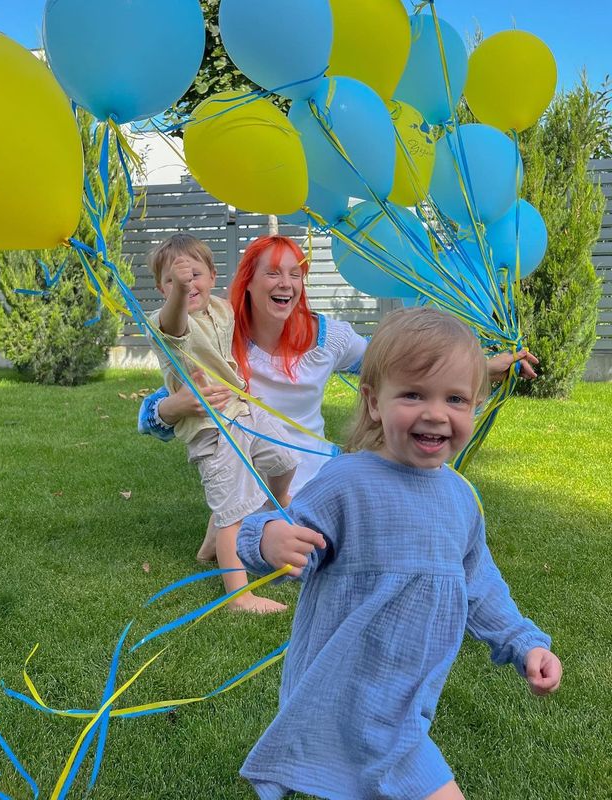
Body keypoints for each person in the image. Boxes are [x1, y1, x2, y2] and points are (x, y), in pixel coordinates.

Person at [236, 307, 562, 800]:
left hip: (403, 697)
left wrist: (524, 643)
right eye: (413, 394)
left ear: (476, 405)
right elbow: (283, 535)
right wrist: (269, 539)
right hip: (344, 690)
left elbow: (479, 585)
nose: (435, 413)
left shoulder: (460, 498)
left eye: (456, 399)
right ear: (374, 403)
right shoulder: (347, 482)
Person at [139, 235, 539, 560]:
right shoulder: (220, 337)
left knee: (381, 530)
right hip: (254, 472)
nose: (285, 283)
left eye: (295, 274)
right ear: (248, 282)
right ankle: (237, 528)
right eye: (272, 273)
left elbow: (397, 364)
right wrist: (172, 407)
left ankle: (237, 529)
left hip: (316, 470)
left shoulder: (325, 336)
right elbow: (153, 414)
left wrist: (485, 366)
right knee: (306, 551)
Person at [145, 233, 299, 613]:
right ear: (162, 289)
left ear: (213, 276)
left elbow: (255, 299)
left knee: (285, 459)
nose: (187, 284)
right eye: (173, 280)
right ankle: (238, 597)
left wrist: (278, 280)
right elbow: (175, 321)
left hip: (242, 408)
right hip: (211, 428)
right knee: (233, 514)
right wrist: (181, 291)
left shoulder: (221, 308)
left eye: (195, 275)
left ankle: (271, 505)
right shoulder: (164, 323)